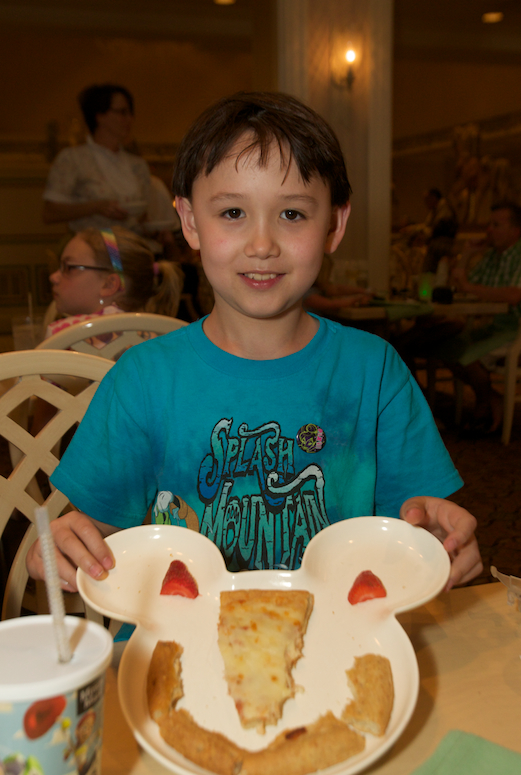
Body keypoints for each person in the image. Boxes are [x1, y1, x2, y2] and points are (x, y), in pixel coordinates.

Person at [26, 91, 481, 595]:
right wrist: (68, 543)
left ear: (334, 224)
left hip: (337, 635)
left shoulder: (374, 373)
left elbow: (412, 527)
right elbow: (98, 534)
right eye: (232, 212)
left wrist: (436, 541)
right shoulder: (141, 379)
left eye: (292, 215)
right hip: (177, 637)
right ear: (190, 221)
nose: (262, 245)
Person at [42, 83, 179, 253]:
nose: (129, 119)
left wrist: (155, 231)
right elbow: (50, 213)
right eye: (122, 112)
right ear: (99, 116)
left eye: (130, 113)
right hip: (93, 249)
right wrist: (96, 207)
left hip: (131, 247)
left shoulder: (137, 165)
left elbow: (140, 219)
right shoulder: (73, 159)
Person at [439, 201, 521, 433]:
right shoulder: (492, 256)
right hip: (494, 328)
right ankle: (491, 398)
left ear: (515, 231)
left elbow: (514, 295)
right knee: (445, 346)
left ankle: (483, 406)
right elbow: (459, 287)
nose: (489, 230)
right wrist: (468, 254)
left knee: (470, 356)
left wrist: (469, 287)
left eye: (496, 225)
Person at [46, 226, 183, 339]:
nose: (54, 277)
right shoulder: (160, 337)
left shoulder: (63, 336)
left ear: (109, 285)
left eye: (69, 267)